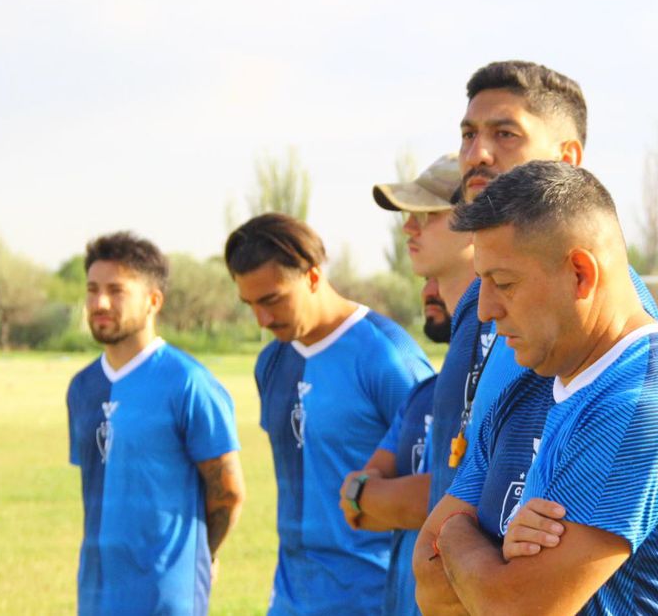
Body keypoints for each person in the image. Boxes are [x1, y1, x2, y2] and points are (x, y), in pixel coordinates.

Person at [415, 161, 658, 615]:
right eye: (481, 282)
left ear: (580, 274)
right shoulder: (529, 389)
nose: (486, 309)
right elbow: (428, 586)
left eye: (504, 283)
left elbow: (514, 609)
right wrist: (490, 559)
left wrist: (456, 537)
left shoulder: (644, 408)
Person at [425, 60, 658, 518]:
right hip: (450, 577)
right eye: (468, 135)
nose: (477, 155)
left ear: (566, 158)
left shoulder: (597, 317)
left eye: (505, 134)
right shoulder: (478, 298)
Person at [224, 213, 434, 615]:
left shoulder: (388, 356)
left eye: (272, 300)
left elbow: (434, 485)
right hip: (291, 595)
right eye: (250, 304)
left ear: (313, 276)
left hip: (373, 595)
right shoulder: (270, 362)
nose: (262, 321)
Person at [67, 232, 244, 615]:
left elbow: (228, 493)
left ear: (153, 301)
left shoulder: (188, 383)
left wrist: (199, 555)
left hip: (167, 595)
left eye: (116, 290)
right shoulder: (82, 388)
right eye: (92, 289)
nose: (99, 303)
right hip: (96, 594)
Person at [338, 154, 475, 616]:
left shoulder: (511, 361)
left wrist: (382, 496)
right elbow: (353, 502)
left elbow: (469, 501)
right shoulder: (428, 389)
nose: (408, 229)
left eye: (426, 216)